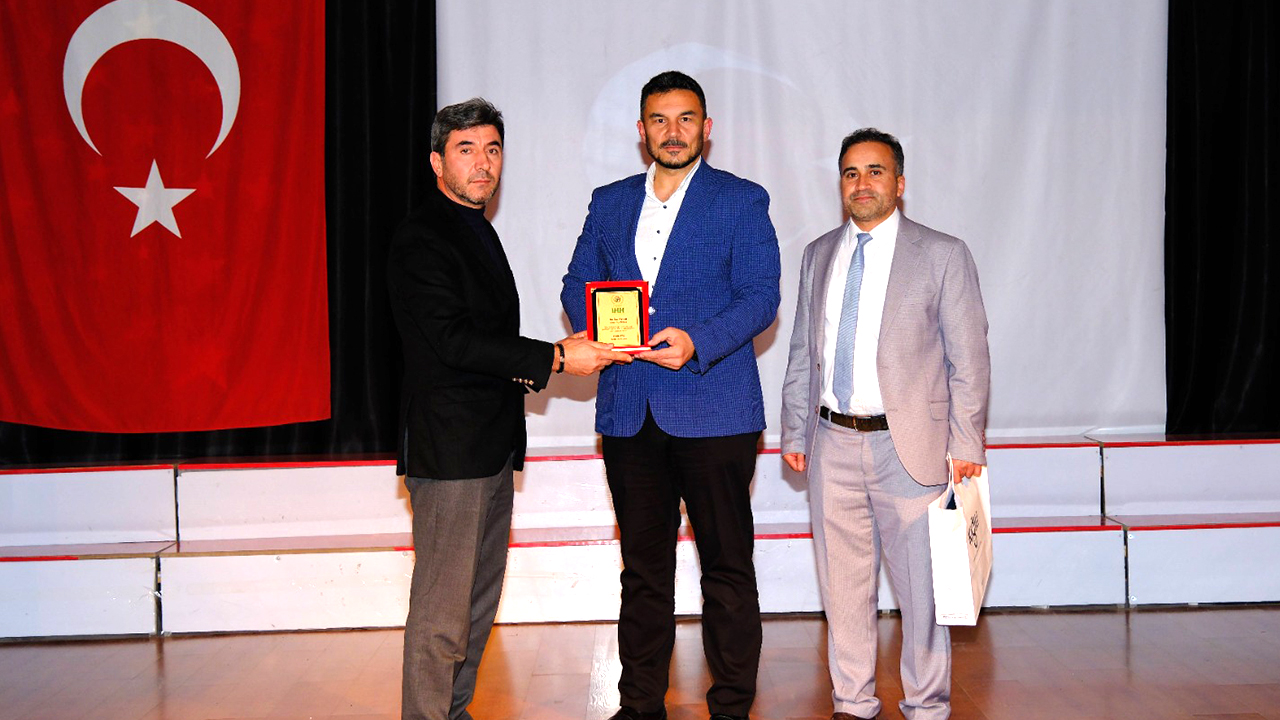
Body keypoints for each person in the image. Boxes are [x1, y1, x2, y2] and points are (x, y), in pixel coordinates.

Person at [387, 97, 630, 720]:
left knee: (475, 605)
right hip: (451, 453)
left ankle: (454, 712)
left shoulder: (473, 228)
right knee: (443, 613)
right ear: (437, 161)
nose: (483, 164)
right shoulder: (423, 236)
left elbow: (480, 341)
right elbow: (454, 341)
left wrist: (554, 355)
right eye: (466, 150)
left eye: (492, 150)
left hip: (488, 448)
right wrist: (556, 356)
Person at [561, 71, 781, 720]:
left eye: (686, 119)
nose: (673, 131)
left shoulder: (741, 200)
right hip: (630, 411)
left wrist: (698, 342)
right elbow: (577, 283)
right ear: (642, 130)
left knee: (727, 569)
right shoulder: (609, 202)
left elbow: (761, 297)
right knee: (643, 573)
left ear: (707, 128)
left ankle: (732, 708)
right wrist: (607, 334)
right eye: (660, 119)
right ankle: (638, 708)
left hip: (716, 409)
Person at [780, 128, 990, 720]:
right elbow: (803, 349)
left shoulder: (943, 254)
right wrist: (795, 428)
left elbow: (970, 358)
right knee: (843, 588)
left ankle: (926, 705)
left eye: (875, 171)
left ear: (899, 183)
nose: (862, 183)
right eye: (851, 173)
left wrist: (966, 440)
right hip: (832, 442)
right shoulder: (819, 253)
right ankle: (852, 702)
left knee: (923, 591)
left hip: (912, 448)